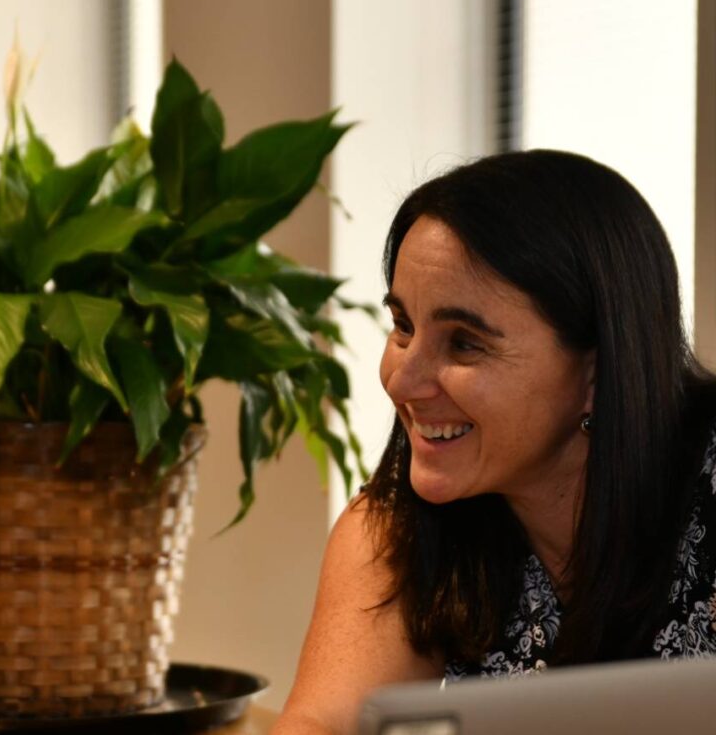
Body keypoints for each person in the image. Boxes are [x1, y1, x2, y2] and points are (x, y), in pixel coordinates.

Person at [273, 150, 716, 735]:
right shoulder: (396, 531)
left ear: (595, 375)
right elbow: (321, 727)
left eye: (464, 344)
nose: (401, 379)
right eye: (404, 326)